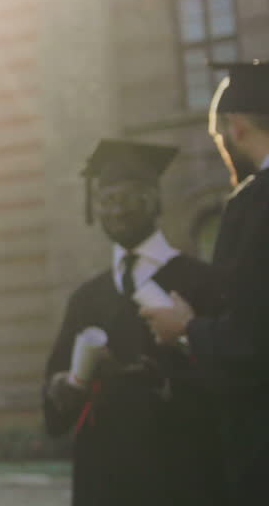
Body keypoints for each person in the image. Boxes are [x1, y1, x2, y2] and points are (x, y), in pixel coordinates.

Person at [44, 139, 224, 506]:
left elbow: (229, 380)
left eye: (129, 197)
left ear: (155, 200)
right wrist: (62, 390)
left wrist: (160, 382)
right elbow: (54, 409)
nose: (117, 210)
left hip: (180, 479)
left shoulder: (202, 282)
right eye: (107, 200)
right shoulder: (86, 298)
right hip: (101, 483)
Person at [143, 61, 269, 504]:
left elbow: (253, 341)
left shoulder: (254, 205)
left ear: (236, 127)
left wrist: (186, 328)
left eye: (218, 137)